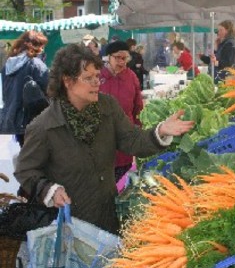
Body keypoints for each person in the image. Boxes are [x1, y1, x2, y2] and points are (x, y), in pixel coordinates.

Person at [14, 44, 194, 235]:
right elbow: (26, 170)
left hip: (108, 220)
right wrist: (49, 190)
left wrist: (161, 131)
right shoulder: (45, 126)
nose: (96, 83)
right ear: (67, 81)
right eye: (88, 78)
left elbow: (132, 140)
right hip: (70, 227)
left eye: (97, 77)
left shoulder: (107, 107)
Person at [99, 40, 144, 183]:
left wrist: (138, 130)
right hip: (101, 139)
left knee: (122, 183)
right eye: (117, 57)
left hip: (125, 138)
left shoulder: (131, 77)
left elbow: (138, 107)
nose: (121, 61)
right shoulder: (98, 76)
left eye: (124, 58)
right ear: (108, 58)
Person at [0, 30, 49, 147]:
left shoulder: (7, 65)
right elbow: (50, 90)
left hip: (8, 122)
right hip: (30, 122)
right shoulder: (36, 64)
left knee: (16, 162)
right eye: (42, 46)